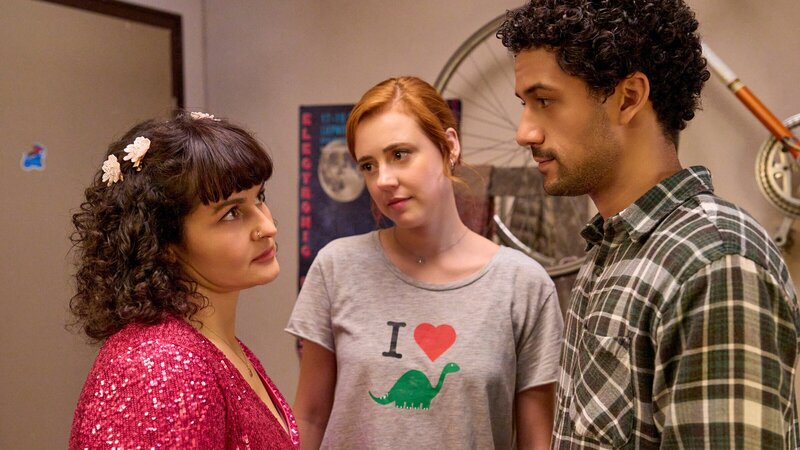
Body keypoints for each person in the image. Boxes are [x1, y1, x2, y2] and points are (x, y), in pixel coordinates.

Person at [498, 1, 800, 448]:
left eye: (544, 101)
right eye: (526, 105)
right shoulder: (613, 246)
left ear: (629, 98)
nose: (525, 132)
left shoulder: (715, 264)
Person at [285, 76, 563, 449]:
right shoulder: (336, 267)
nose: (383, 180)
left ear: (449, 146)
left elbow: (537, 440)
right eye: (368, 165)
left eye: (399, 154)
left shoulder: (522, 285)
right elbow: (310, 417)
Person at [68, 111, 300, 449]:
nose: (267, 227)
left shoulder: (210, 345)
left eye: (259, 198)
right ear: (165, 242)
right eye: (232, 213)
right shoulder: (159, 365)